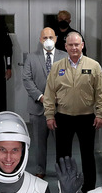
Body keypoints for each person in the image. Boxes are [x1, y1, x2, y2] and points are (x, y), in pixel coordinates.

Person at [43, 32, 102, 193]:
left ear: (82, 45)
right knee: (62, 156)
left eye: (77, 45)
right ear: (65, 47)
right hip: (63, 118)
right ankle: (64, 188)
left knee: (88, 155)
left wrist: (100, 113)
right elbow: (49, 93)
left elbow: (101, 91)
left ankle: (89, 190)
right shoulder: (57, 67)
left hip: (87, 118)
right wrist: (49, 115)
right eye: (70, 45)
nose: (74, 48)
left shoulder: (93, 66)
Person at [22, 27, 68, 179]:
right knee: (39, 143)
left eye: (51, 37)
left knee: (62, 143)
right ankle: (40, 170)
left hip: (60, 108)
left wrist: (58, 98)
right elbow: (27, 80)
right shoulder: (31, 57)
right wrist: (41, 97)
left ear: (56, 39)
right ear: (40, 40)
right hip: (38, 108)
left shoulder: (65, 57)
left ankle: (62, 170)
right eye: (44, 37)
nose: (48, 40)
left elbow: (70, 80)